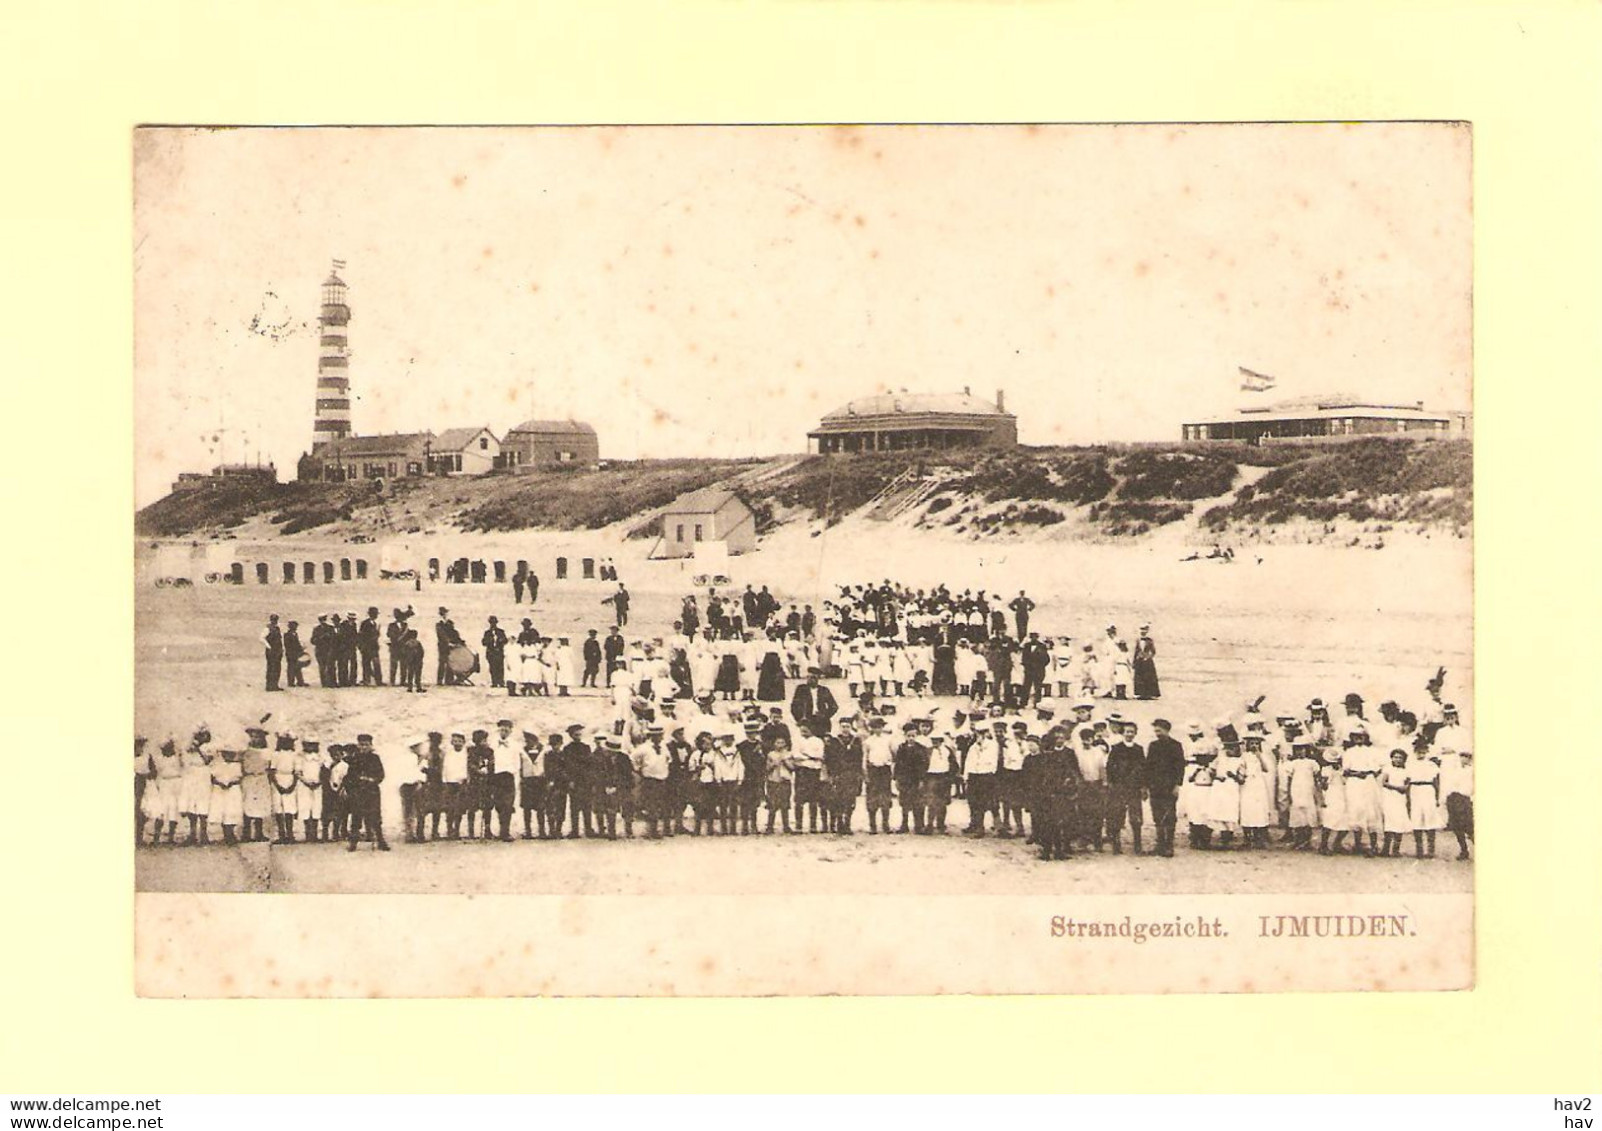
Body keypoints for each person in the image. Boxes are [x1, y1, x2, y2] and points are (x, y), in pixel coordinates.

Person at [1104, 721, 1147, 854]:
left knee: (1136, 817)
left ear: (1135, 733)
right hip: (1119, 787)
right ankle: (1116, 846)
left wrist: (1143, 786)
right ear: (1123, 733)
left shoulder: (1138, 749)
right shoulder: (1116, 748)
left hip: (1134, 788)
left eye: (1132, 732)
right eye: (1127, 731)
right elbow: (1110, 767)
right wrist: (1111, 784)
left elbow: (1143, 768)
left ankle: (1137, 845)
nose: (1129, 734)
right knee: (1117, 815)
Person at [1144, 719, 1184, 857]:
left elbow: (1180, 767)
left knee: (1170, 816)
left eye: (1159, 731)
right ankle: (1160, 845)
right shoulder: (1153, 745)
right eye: (1155, 731)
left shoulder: (1176, 746)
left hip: (1169, 786)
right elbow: (1148, 766)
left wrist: (1177, 785)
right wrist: (1147, 785)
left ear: (1167, 730)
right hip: (1155, 787)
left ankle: (1169, 846)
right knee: (1157, 816)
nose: (1157, 733)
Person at [344, 733, 390, 851]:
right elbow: (349, 777)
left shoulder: (375, 758)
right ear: (358, 745)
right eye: (362, 745)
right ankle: (353, 842)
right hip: (358, 792)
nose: (364, 747)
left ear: (371, 745)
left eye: (366, 745)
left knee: (375, 817)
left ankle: (380, 841)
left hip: (372, 792)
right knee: (356, 817)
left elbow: (381, 774)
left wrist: (372, 780)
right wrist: (356, 784)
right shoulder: (354, 759)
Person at [892, 721, 929, 835]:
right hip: (904, 780)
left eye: (913, 736)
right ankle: (904, 825)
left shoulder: (921, 749)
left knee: (918, 803)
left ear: (916, 735)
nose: (911, 738)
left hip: (916, 780)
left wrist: (922, 780)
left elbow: (924, 765)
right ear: (905, 736)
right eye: (909, 736)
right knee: (904, 802)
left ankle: (919, 825)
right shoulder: (901, 748)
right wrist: (896, 778)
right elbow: (897, 764)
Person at [1407, 744, 1442, 859]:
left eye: (1423, 751)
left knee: (1429, 817)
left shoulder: (1431, 765)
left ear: (1427, 751)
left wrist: (1437, 797)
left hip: (1427, 790)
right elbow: (1407, 781)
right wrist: (1407, 798)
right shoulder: (1410, 764)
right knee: (1416, 817)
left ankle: (1431, 849)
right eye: (1418, 751)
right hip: (1415, 790)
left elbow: (1436, 781)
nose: (1420, 754)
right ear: (1414, 751)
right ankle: (1419, 848)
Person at [239, 726, 272, 843]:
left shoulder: (266, 752)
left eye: (257, 737)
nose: (255, 739)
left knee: (260, 805)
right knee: (247, 804)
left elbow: (269, 766)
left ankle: (259, 832)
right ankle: (246, 833)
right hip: (249, 778)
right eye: (252, 736)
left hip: (261, 779)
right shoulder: (245, 751)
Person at [268, 731, 300, 844]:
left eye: (289, 742)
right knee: (278, 808)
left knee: (289, 809)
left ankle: (290, 834)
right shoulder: (276, 755)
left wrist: (292, 785)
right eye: (284, 741)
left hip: (289, 779)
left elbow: (296, 772)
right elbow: (271, 771)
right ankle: (281, 834)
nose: (286, 744)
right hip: (278, 779)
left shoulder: (294, 755)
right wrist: (277, 785)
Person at [1442, 749, 1474, 860]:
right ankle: (1464, 850)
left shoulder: (1472, 771)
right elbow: (1448, 784)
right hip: (1453, 798)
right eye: (1462, 756)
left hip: (1465, 798)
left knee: (1469, 826)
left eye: (1467, 757)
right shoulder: (1454, 770)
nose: (1464, 759)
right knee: (1456, 827)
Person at [790, 669, 839, 735]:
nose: (809, 679)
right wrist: (799, 718)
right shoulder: (801, 689)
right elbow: (794, 706)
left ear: (818, 679)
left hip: (821, 722)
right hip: (807, 720)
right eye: (808, 677)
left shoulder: (824, 690)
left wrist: (825, 716)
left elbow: (834, 706)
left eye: (813, 677)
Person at [1132, 625, 1160, 700]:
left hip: (1147, 661)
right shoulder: (1138, 640)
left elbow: (1153, 652)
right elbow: (1136, 651)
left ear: (1147, 631)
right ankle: (1141, 693)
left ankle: (1149, 694)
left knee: (1148, 677)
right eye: (1141, 630)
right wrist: (1134, 661)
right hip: (1139, 661)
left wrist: (1148, 657)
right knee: (1139, 677)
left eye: (1144, 630)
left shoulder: (1150, 640)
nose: (1143, 632)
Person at [481, 616, 509, 689]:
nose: (493, 624)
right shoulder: (487, 633)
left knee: (500, 667)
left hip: (499, 652)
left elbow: (505, 641)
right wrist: (490, 641)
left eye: (494, 623)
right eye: (491, 623)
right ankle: (494, 682)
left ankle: (501, 681)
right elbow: (483, 642)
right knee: (492, 667)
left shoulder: (501, 632)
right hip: (491, 652)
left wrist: (500, 641)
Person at [359, 607, 384, 686]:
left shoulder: (375, 624)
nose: (376, 615)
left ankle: (377, 681)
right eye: (375, 613)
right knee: (367, 664)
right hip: (367, 647)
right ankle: (367, 680)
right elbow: (362, 635)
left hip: (373, 647)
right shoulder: (365, 623)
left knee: (375, 664)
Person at [262, 615, 284, 692]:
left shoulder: (277, 628)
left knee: (277, 668)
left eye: (276, 620)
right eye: (274, 620)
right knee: (271, 668)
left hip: (277, 650)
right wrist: (269, 646)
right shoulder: (267, 628)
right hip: (271, 651)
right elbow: (262, 638)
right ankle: (269, 686)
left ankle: (275, 685)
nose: (275, 621)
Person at [284, 621, 308, 688]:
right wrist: (299, 648)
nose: (296, 627)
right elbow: (288, 645)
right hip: (291, 654)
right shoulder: (287, 635)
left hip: (296, 653)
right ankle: (291, 682)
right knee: (291, 668)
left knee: (297, 667)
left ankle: (300, 682)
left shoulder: (295, 634)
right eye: (294, 626)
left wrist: (300, 649)